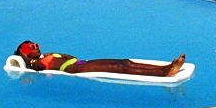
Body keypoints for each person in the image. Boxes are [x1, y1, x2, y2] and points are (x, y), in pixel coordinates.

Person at [14, 40, 186, 76]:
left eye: (37, 45)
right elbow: (34, 68)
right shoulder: (35, 63)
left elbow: (71, 56)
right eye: (32, 47)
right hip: (77, 68)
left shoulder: (48, 55)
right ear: (26, 52)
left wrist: (50, 55)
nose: (37, 47)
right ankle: (164, 72)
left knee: (125, 63)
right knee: (121, 68)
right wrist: (24, 56)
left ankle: (166, 68)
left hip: (82, 63)